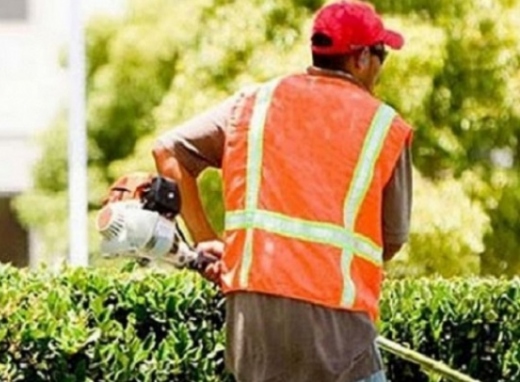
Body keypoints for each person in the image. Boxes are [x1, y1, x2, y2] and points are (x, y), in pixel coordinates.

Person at [152, 1, 413, 381]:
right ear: (359, 59)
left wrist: (206, 239)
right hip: (338, 339)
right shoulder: (384, 126)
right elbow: (391, 239)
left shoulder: (253, 104)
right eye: (381, 55)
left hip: (254, 331)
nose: (380, 66)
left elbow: (169, 150)